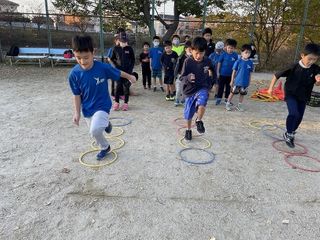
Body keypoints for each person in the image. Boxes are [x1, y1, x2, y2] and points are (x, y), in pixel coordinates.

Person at [68, 35, 136, 160]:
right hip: (87, 109)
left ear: (93, 52)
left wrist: (130, 77)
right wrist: (76, 113)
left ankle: (104, 123)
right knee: (95, 133)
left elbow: (118, 72)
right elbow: (76, 95)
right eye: (78, 58)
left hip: (102, 105)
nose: (83, 61)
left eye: (86, 57)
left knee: (94, 130)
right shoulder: (74, 74)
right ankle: (105, 146)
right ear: (74, 54)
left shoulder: (102, 67)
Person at [267, 43, 320, 148]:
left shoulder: (315, 68)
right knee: (294, 113)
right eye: (310, 59)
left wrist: (318, 81)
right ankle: (289, 134)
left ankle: (291, 131)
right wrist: (270, 88)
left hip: (304, 96)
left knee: (299, 117)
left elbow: (317, 82)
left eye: (315, 59)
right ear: (302, 55)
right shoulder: (293, 66)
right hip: (291, 94)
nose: (312, 61)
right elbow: (276, 75)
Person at [180, 37, 216, 140]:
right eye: (196, 53)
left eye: (201, 53)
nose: (199, 56)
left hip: (202, 87)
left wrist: (213, 82)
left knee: (203, 102)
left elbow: (214, 72)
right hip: (190, 90)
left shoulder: (207, 61)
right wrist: (187, 78)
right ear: (191, 50)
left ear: (205, 52)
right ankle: (188, 130)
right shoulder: (187, 61)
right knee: (188, 114)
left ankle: (199, 120)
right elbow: (181, 77)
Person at [110, 32, 135, 111]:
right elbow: (112, 59)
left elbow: (133, 60)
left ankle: (126, 103)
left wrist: (130, 70)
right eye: (122, 41)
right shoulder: (115, 48)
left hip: (127, 72)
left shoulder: (129, 49)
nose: (124, 43)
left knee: (126, 87)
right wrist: (115, 67)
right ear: (119, 40)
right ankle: (116, 103)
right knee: (117, 87)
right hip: (118, 72)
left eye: (125, 41)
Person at [226, 44, 254, 112]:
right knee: (232, 93)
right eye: (246, 52)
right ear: (242, 53)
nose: (247, 54)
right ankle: (228, 103)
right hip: (237, 82)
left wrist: (249, 81)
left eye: (249, 52)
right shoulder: (238, 61)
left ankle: (239, 105)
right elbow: (233, 72)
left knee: (242, 94)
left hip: (245, 82)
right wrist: (232, 81)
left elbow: (250, 73)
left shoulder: (250, 63)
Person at [216, 38, 238, 105]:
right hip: (222, 74)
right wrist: (218, 72)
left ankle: (226, 99)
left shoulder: (235, 55)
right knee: (221, 87)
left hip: (230, 75)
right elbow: (219, 63)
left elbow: (237, 65)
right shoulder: (223, 54)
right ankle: (219, 99)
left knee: (228, 87)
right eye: (228, 48)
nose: (230, 49)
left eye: (232, 48)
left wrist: (235, 75)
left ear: (234, 48)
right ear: (226, 47)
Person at [174, 40, 192, 106]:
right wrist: (175, 76)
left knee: (185, 89)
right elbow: (177, 67)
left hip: (188, 77)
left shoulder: (193, 58)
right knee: (178, 89)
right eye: (189, 49)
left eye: (192, 49)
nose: (191, 51)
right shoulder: (181, 57)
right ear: (185, 49)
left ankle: (183, 100)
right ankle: (177, 99)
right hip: (180, 75)